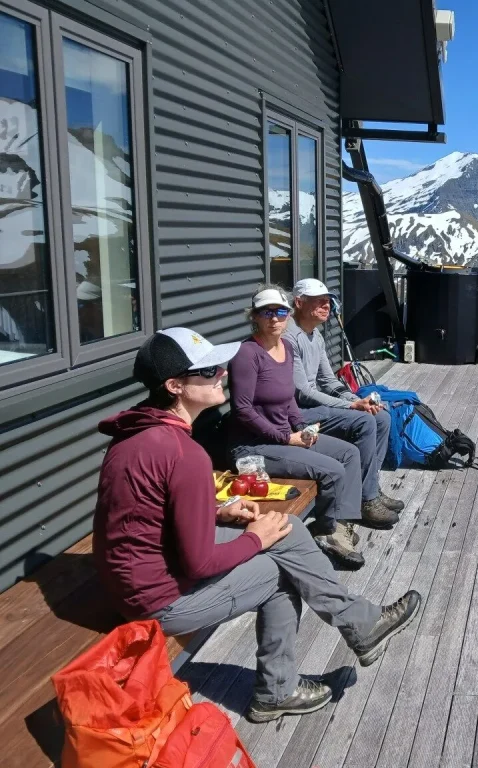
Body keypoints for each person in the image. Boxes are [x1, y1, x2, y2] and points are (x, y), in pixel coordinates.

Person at [92, 326, 421, 723]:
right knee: (280, 572)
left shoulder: (138, 435)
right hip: (157, 600)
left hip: (135, 573)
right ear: (175, 385)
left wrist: (217, 511)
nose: (223, 374)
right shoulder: (184, 454)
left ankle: (359, 625)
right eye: (209, 371)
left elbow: (148, 512)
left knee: (284, 524)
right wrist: (252, 538)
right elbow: (197, 564)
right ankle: (277, 690)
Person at [226, 286, 396, 572]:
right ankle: (327, 531)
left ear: (288, 313)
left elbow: (290, 399)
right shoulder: (247, 354)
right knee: (333, 470)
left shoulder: (286, 347)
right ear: (254, 316)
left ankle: (341, 522)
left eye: (280, 312)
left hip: (285, 433)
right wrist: (286, 437)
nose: (274, 318)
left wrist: (303, 427)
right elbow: (242, 410)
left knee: (350, 453)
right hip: (254, 444)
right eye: (266, 312)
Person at [284, 278, 404, 518]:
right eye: (319, 301)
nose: (327, 306)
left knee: (380, 416)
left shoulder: (315, 335)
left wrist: (357, 400)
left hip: (315, 405)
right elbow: (302, 392)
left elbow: (328, 380)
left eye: (328, 302)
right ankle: (366, 499)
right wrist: (351, 405)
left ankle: (369, 488)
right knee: (365, 421)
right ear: (299, 302)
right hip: (298, 412)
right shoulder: (289, 337)